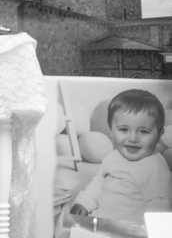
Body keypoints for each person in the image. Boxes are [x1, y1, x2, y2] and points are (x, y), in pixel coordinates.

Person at [69, 89, 172, 225]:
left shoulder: (154, 168)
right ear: (111, 131)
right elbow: (99, 182)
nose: (133, 138)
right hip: (101, 220)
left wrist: (131, 227)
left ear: (159, 135)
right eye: (123, 129)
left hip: (131, 229)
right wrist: (84, 203)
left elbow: (159, 207)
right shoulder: (113, 157)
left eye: (143, 131)